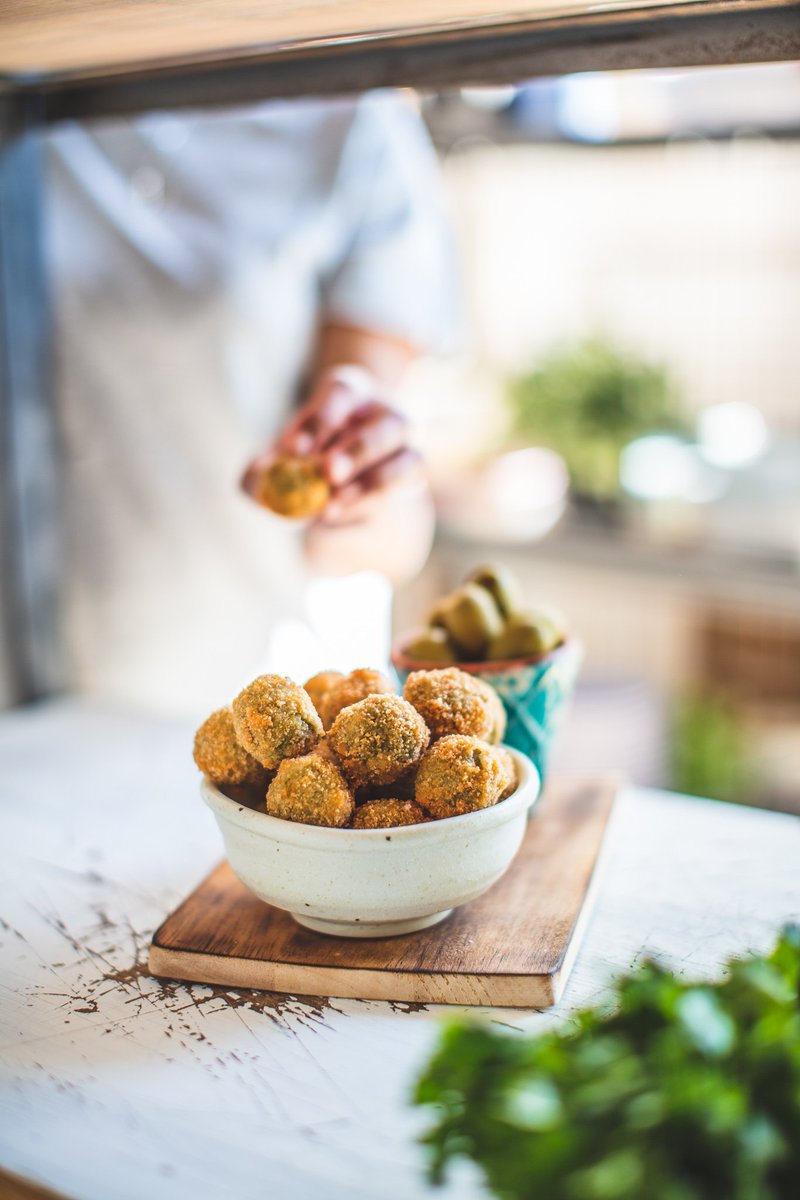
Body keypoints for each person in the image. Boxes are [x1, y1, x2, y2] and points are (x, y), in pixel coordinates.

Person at [43, 90, 457, 713]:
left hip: (246, 687)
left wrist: (359, 485)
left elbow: (375, 459)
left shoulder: (349, 121)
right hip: (20, 678)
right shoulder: (32, 82)